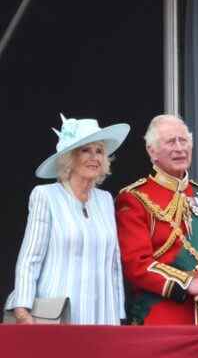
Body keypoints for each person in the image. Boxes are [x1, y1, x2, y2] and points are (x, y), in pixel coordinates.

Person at [116, 115, 198, 325]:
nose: (179, 148)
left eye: (183, 141)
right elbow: (136, 264)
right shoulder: (135, 198)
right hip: (159, 322)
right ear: (152, 151)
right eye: (170, 142)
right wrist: (189, 283)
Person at [4, 114, 128, 324]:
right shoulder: (46, 196)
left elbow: (114, 263)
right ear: (69, 157)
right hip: (59, 315)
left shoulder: (106, 200)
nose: (94, 157)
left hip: (102, 316)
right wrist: (22, 310)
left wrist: (118, 313)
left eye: (99, 151)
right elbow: (30, 258)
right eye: (85, 150)